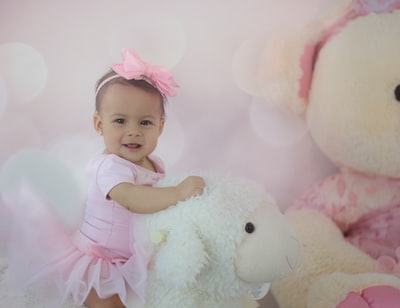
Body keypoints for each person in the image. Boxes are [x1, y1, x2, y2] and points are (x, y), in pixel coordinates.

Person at [1, 48, 205, 308]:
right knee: (108, 303)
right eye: (120, 121)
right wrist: (178, 193)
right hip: (98, 257)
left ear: (161, 126)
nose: (133, 132)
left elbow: (155, 207)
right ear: (100, 125)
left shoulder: (155, 163)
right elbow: (132, 199)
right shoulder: (109, 166)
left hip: (130, 254)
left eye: (145, 123)